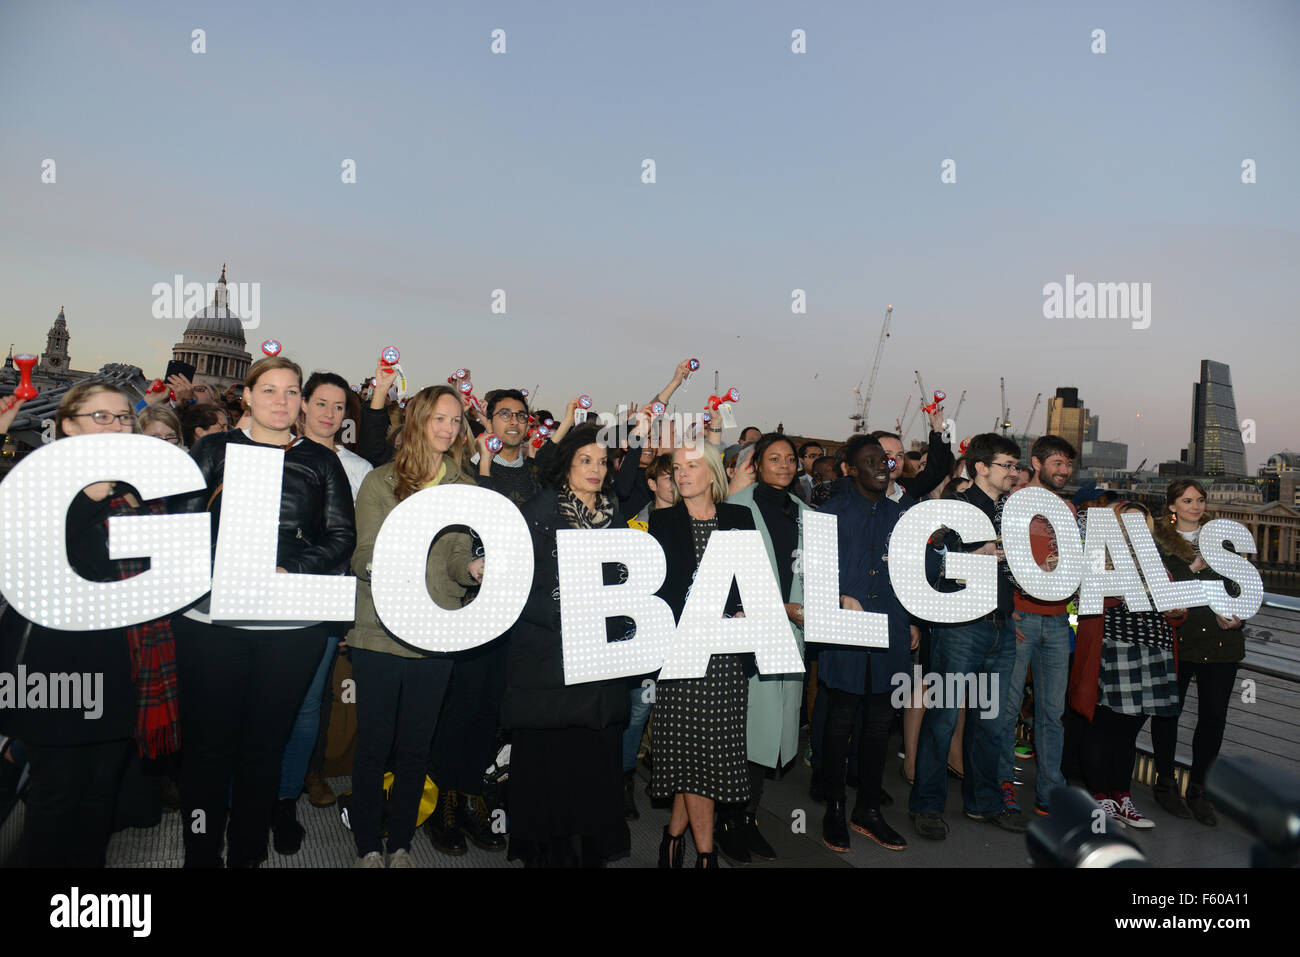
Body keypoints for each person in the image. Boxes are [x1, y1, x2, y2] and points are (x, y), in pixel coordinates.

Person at [174, 355, 356, 868]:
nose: (282, 401)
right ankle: (201, 853)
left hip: (289, 629)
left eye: (291, 391)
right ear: (246, 396)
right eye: (269, 390)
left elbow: (342, 536)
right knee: (208, 752)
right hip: (210, 624)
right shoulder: (212, 449)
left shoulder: (321, 462)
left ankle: (249, 853)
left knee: (264, 749)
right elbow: (180, 526)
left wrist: (291, 569)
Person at [0, 383, 182, 867]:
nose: (118, 426)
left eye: (124, 417)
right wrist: (90, 494)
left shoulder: (141, 489)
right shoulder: (34, 485)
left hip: (124, 667)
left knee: (99, 802)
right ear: (68, 425)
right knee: (54, 802)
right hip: (54, 671)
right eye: (101, 417)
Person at [347, 385, 480, 868]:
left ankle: (401, 842)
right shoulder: (381, 481)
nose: (448, 429)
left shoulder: (466, 490)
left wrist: (473, 572)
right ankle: (366, 843)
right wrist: (388, 563)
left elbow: (459, 560)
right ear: (418, 421)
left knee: (417, 747)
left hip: (437, 633)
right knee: (375, 744)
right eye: (438, 419)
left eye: (455, 420)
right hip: (380, 630)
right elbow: (362, 555)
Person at [500, 422, 631, 867]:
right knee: (549, 763)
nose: (595, 470)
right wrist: (569, 612)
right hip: (547, 659)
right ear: (567, 464)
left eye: (602, 461)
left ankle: (587, 845)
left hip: (600, 662)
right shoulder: (538, 510)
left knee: (593, 761)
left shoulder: (616, 512)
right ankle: (548, 850)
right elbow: (514, 588)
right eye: (585, 461)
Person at [426, 388, 541, 857]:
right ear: (486, 422)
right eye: (503, 414)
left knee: (492, 711)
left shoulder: (539, 477)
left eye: (520, 414)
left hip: (520, 612)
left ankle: (475, 797)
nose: (512, 421)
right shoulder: (463, 472)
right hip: (469, 606)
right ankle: (443, 805)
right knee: (459, 705)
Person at [271, 371, 374, 852]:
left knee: (310, 702)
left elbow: (355, 543)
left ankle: (284, 798)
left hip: (326, 598)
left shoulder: (358, 468)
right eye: (321, 403)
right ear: (303, 404)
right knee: (265, 702)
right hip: (266, 594)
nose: (330, 414)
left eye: (339, 406)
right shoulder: (272, 452)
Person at [909, 433, 1026, 840]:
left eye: (1016, 466)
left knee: (991, 722)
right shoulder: (951, 509)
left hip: (1001, 625)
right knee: (942, 719)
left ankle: (984, 803)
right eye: (1007, 465)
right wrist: (962, 560)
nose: (1015, 473)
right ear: (981, 467)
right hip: (959, 626)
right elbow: (922, 559)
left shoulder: (1014, 513)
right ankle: (926, 806)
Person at [648, 446, 754, 868]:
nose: (682, 474)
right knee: (693, 753)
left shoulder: (738, 519)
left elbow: (752, 579)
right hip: (682, 654)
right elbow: (657, 593)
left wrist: (750, 607)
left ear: (712, 473)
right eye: (676, 468)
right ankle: (705, 855)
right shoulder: (663, 521)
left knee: (703, 754)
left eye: (692, 466)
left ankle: (673, 837)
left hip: (728, 656)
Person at [816, 435, 913, 851]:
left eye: (885, 458)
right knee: (839, 723)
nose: (882, 464)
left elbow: (915, 574)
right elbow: (813, 573)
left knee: (878, 725)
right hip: (845, 630)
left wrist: (912, 621)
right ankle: (834, 807)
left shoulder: (903, 516)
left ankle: (868, 809)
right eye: (870, 460)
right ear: (850, 469)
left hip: (891, 628)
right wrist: (835, 596)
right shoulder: (829, 512)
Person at [721, 433, 809, 863]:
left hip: (792, 636)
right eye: (773, 458)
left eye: (790, 459)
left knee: (774, 731)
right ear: (756, 464)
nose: (784, 465)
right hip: (745, 634)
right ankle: (729, 822)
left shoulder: (810, 515)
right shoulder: (734, 510)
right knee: (745, 731)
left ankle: (747, 818)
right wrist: (780, 608)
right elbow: (722, 583)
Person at [1068, 502, 1182, 829]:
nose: (1135, 530)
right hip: (1114, 648)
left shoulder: (1157, 563)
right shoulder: (1097, 559)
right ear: (1115, 527)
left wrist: (1176, 611)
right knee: (1104, 725)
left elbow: (1176, 606)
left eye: (1141, 523)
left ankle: (1123, 796)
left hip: (1155, 650)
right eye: (1128, 523)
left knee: (1129, 731)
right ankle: (1100, 794)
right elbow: (1084, 601)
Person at [1150, 479, 1245, 825]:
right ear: (1172, 506)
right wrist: (1191, 569)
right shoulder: (1156, 541)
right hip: (1178, 639)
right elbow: (1157, 588)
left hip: (1222, 644)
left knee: (1213, 720)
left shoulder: (1222, 540)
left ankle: (1199, 789)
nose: (1196, 506)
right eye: (1187, 500)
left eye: (1200, 500)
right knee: (1167, 714)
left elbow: (1241, 585)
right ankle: (1165, 783)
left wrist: (1238, 618)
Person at [999, 436, 1077, 818]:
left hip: (1059, 619)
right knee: (1008, 708)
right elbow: (1000, 556)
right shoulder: (1014, 501)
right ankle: (1002, 787)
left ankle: (1050, 792)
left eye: (1068, 465)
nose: (1064, 471)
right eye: (1058, 463)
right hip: (1020, 617)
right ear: (1038, 462)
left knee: (1051, 713)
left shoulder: (1068, 508)